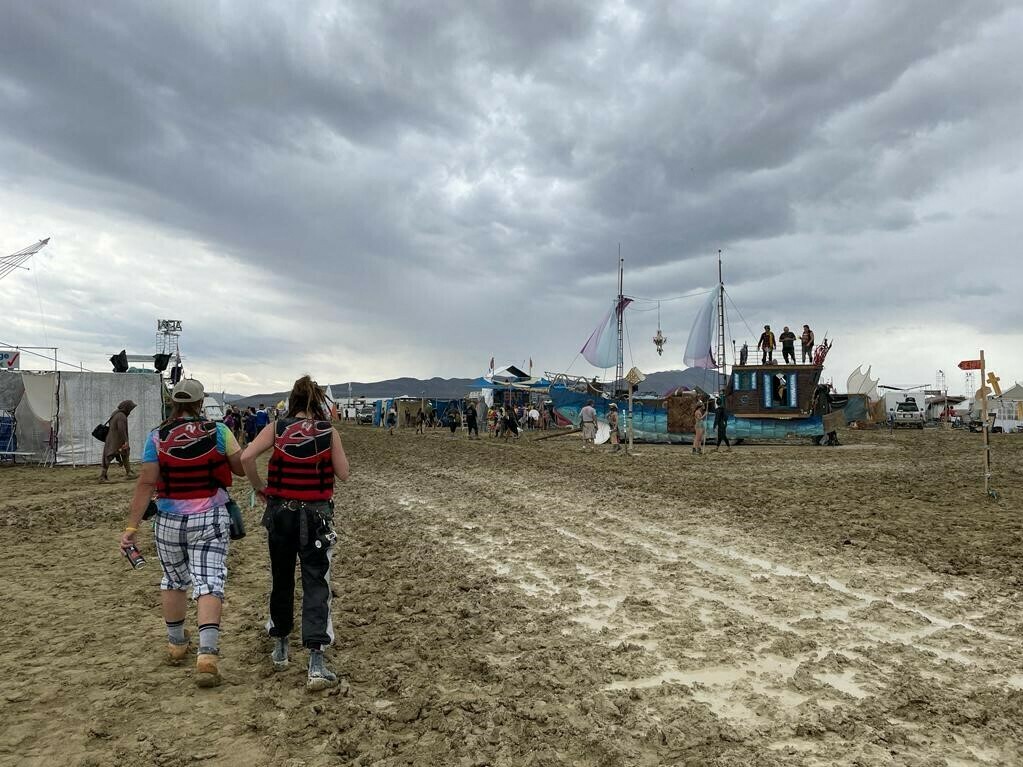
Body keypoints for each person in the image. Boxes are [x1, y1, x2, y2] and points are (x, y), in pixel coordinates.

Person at [119, 379, 245, 688]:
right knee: (209, 580)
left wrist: (131, 527)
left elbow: (146, 483)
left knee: (173, 579)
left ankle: (176, 644)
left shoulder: (157, 436)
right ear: (200, 403)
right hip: (210, 515)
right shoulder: (219, 432)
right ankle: (207, 655)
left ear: (173, 403)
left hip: (168, 518)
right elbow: (240, 468)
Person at [242, 376, 350, 691]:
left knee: (281, 578)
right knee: (317, 583)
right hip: (316, 516)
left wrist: (259, 487)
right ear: (318, 401)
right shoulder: (328, 432)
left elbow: (247, 457)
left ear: (293, 400)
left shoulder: (277, 428)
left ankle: (280, 648)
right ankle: (316, 663)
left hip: (281, 513)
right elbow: (344, 474)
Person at [101, 400, 137, 481]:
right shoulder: (121, 416)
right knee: (109, 456)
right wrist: (126, 441)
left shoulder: (116, 413)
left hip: (113, 438)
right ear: (126, 407)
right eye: (130, 408)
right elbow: (121, 429)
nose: (130, 410)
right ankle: (102, 476)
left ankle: (129, 472)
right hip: (116, 440)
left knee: (124, 454)